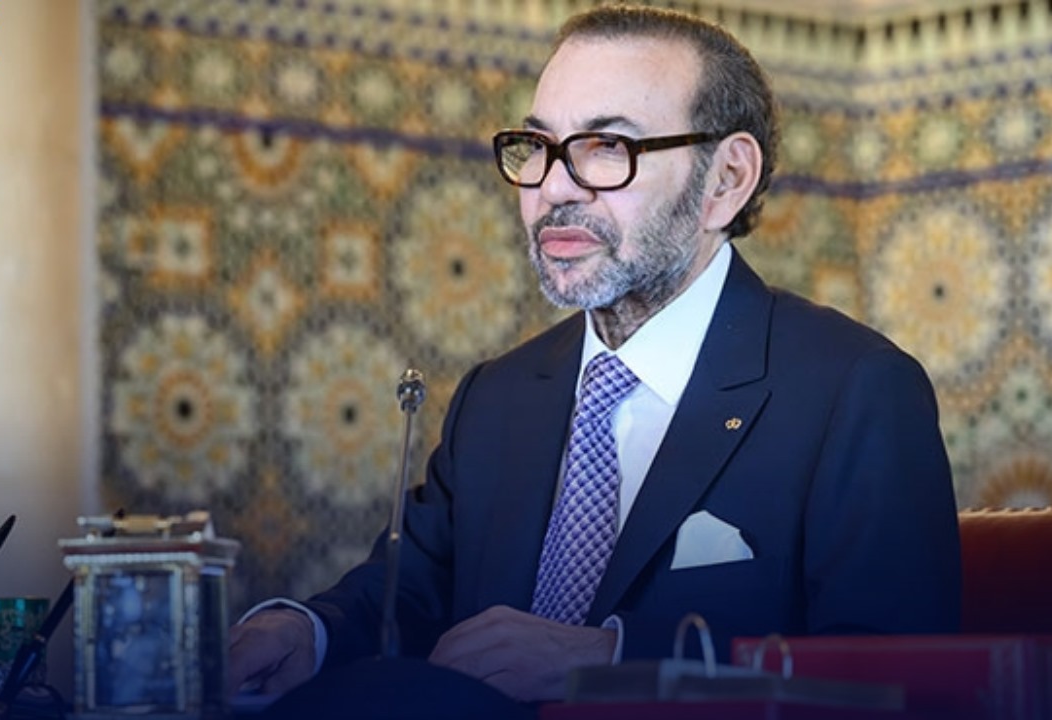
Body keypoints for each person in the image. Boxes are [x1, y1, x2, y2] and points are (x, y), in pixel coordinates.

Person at [228, 2, 962, 705]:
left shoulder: (856, 392)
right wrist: (305, 631)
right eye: (540, 147)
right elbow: (408, 594)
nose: (553, 188)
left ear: (726, 180)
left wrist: (614, 660)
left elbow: (897, 682)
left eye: (607, 148)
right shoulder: (497, 396)